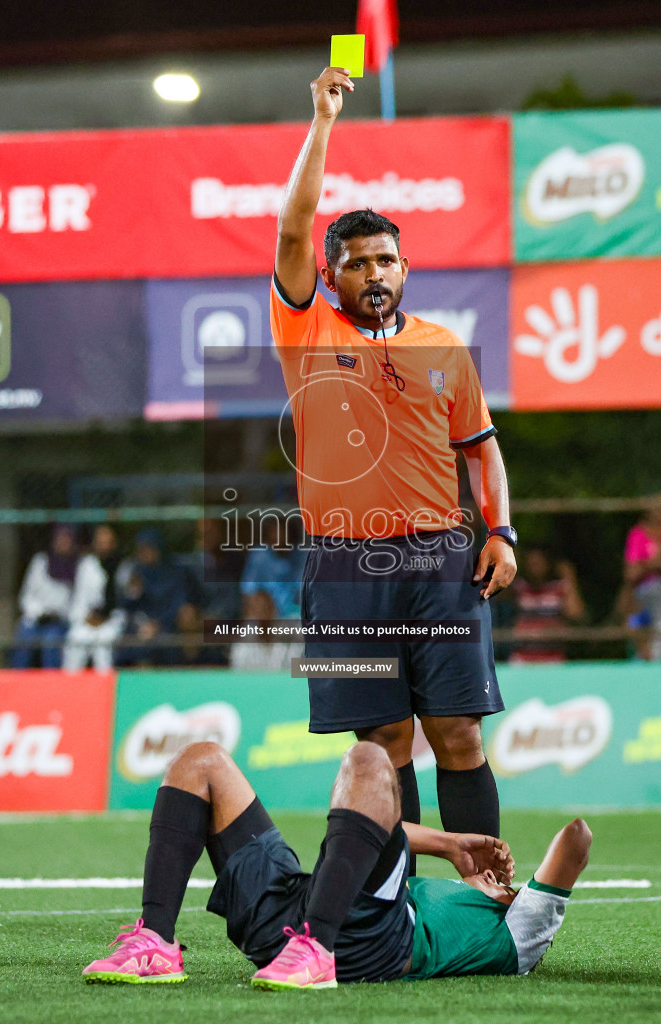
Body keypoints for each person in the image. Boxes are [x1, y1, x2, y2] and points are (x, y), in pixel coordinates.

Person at [270, 66, 516, 847]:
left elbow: (481, 451)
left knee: (462, 738)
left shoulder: (443, 347)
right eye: (358, 262)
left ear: (405, 269)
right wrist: (323, 121)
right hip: (346, 565)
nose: (375, 274)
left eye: (387, 261)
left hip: (441, 563)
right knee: (382, 747)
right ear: (330, 274)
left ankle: (489, 897)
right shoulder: (306, 331)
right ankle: (392, 905)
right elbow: (290, 229)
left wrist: (501, 534)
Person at [82, 740, 586, 989]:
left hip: (371, 945)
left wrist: (507, 888)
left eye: (514, 886)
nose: (504, 883)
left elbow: (576, 840)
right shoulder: (442, 894)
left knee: (369, 759)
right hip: (293, 918)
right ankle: (157, 944)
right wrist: (452, 845)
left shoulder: (519, 939)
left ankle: (316, 951)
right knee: (201, 760)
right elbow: (368, 828)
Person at [117, 528, 198, 666]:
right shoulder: (138, 572)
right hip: (142, 625)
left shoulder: (175, 572)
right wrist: (133, 591)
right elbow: (128, 607)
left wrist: (159, 624)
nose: (144, 554)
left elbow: (179, 604)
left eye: (148, 548)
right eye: (141, 549)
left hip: (168, 625)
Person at [10, 524, 79, 669]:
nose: (62, 543)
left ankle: (51, 685)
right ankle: (17, 682)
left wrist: (57, 614)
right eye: (59, 539)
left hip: (59, 620)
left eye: (66, 539)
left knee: (51, 641)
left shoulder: (78, 565)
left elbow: (77, 601)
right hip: (36, 618)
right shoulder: (41, 561)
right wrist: (37, 613)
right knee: (24, 636)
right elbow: (27, 595)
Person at [509, 547, 586, 663]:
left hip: (552, 657)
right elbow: (496, 591)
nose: (535, 567)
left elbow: (576, 613)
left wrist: (569, 577)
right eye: (531, 563)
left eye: (538, 563)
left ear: (547, 564)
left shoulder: (558, 588)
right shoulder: (519, 588)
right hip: (522, 657)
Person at [64, 536, 119, 673]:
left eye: (106, 542)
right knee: (76, 639)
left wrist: (104, 618)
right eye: (100, 542)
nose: (103, 546)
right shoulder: (87, 565)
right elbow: (80, 598)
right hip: (86, 619)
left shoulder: (120, 565)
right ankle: (68, 687)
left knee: (104, 644)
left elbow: (119, 601)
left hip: (112, 620)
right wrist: (86, 618)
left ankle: (104, 687)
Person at [240, 516, 304, 620]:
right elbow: (248, 592)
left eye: (282, 532)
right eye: (274, 532)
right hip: (266, 617)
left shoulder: (302, 556)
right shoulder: (259, 555)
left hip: (295, 618)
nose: (279, 537)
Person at [229, 590, 305, 672]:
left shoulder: (289, 642)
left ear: (273, 609)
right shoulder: (241, 649)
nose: (262, 615)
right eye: (258, 610)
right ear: (250, 613)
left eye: (266, 608)